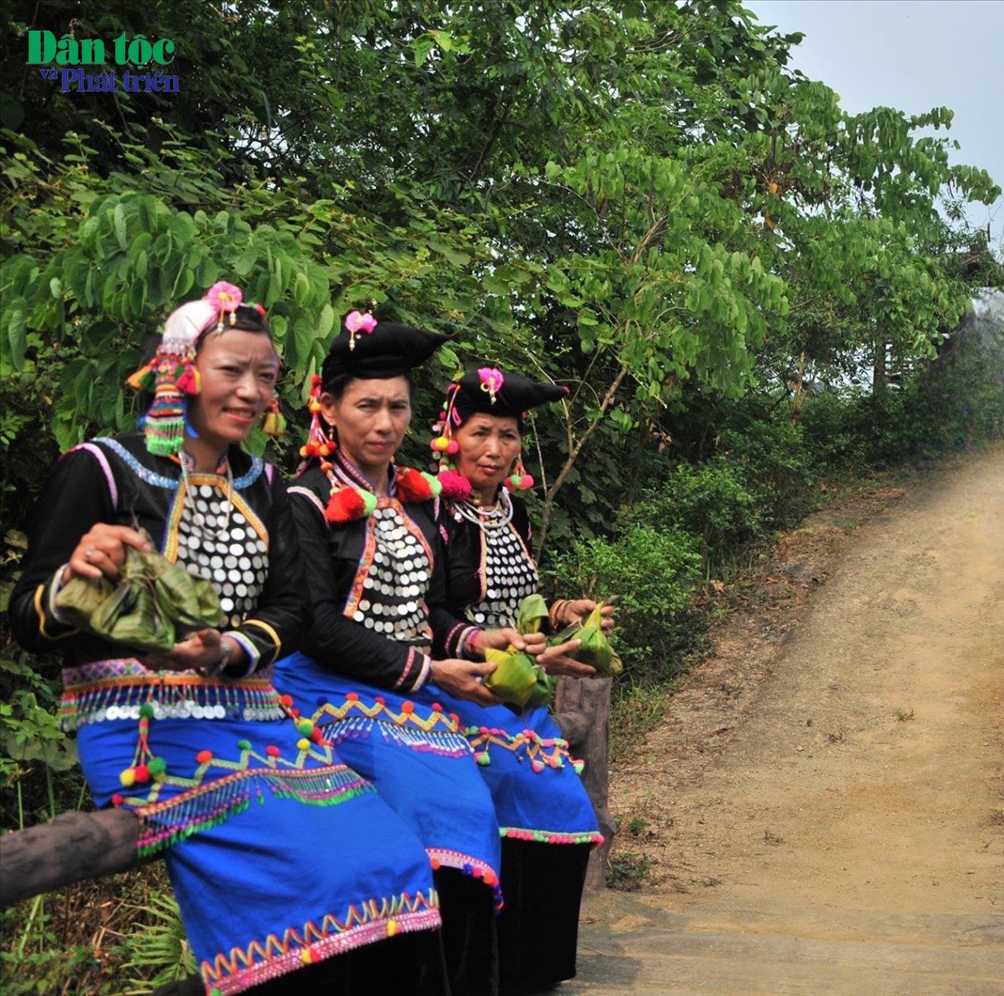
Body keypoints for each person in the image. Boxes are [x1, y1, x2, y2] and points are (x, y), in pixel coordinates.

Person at [7, 285, 445, 995]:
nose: (249, 391)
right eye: (230, 371)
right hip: (145, 728)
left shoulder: (263, 481)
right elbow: (25, 620)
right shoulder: (101, 468)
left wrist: (226, 650)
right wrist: (71, 584)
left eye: (265, 376)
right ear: (181, 368)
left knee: (393, 857)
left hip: (262, 720)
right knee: (321, 873)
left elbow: (292, 608)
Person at [272, 316, 516, 996]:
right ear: (328, 408)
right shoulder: (303, 498)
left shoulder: (414, 499)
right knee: (424, 831)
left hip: (408, 692)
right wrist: (430, 671)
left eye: (398, 406)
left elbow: (429, 610)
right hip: (327, 687)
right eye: (367, 405)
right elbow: (315, 622)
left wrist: (472, 640)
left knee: (470, 814)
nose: (384, 422)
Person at [428, 367, 606, 994]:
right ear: (451, 436)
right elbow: (429, 611)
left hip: (517, 684)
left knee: (565, 804)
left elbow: (521, 604)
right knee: (505, 783)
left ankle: (535, 971)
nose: (495, 449)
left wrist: (558, 617)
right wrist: (484, 650)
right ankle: (484, 970)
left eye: (507, 436)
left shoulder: (516, 511)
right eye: (481, 433)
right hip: (456, 682)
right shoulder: (430, 512)